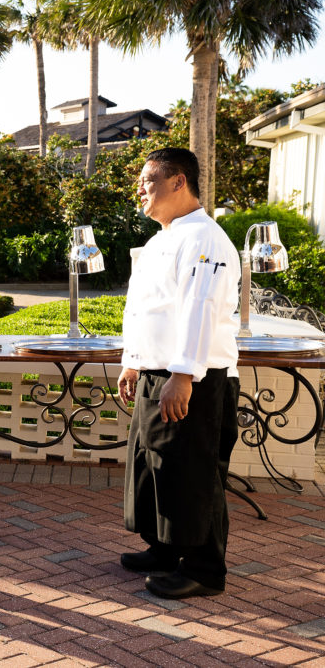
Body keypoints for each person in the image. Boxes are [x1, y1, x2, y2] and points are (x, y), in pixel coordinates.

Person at [116, 148, 241, 600]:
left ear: (177, 183)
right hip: (156, 373)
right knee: (154, 467)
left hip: (194, 379)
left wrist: (184, 374)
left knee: (193, 473)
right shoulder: (160, 240)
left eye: (148, 181)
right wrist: (133, 360)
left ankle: (205, 570)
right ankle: (166, 550)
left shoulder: (204, 238)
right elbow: (148, 308)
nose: (140, 190)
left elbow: (199, 308)